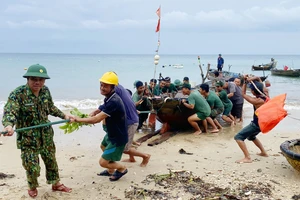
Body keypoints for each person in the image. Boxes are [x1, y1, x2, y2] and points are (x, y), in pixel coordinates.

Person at [1, 64, 73, 198]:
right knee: (32, 167)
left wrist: (64, 115)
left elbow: (50, 107)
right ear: (27, 79)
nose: (38, 82)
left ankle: (55, 183)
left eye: (41, 79)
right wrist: (9, 125)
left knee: (51, 161)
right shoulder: (18, 94)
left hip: (45, 134)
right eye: (34, 79)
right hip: (28, 138)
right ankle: (32, 186)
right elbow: (10, 111)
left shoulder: (45, 91)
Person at [74, 72, 128, 181]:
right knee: (103, 146)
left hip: (118, 137)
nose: (102, 88)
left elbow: (96, 120)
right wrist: (97, 110)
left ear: (113, 87)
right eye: (101, 85)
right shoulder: (110, 97)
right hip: (112, 133)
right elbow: (103, 107)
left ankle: (122, 168)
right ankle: (110, 170)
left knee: (102, 162)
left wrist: (77, 119)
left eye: (106, 86)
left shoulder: (114, 101)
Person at [90, 83, 151, 168]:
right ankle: (131, 159)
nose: (103, 86)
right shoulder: (119, 89)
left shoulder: (116, 90)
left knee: (124, 148)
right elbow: (110, 104)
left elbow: (111, 104)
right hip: (126, 121)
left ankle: (145, 156)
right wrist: (98, 110)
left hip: (130, 122)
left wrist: (98, 112)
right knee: (124, 145)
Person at [234, 76, 269, 164]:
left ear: (253, 92)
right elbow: (259, 80)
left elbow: (243, 94)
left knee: (238, 137)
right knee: (251, 137)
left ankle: (247, 157)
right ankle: (263, 152)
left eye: (252, 90)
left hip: (257, 124)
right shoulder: (266, 94)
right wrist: (252, 78)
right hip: (263, 123)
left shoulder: (257, 101)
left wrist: (245, 82)